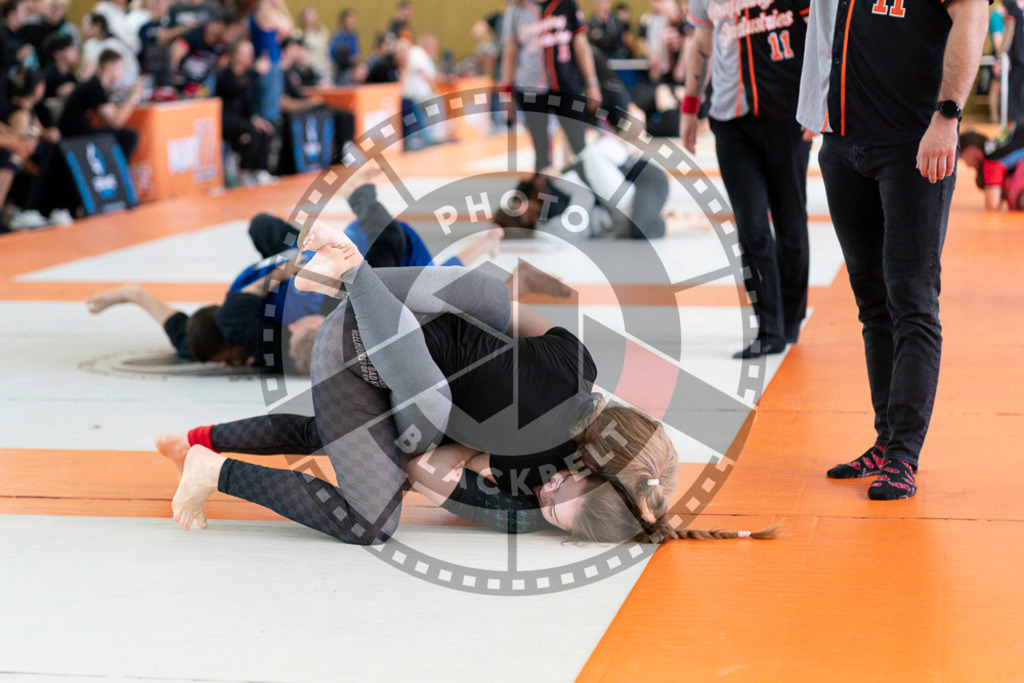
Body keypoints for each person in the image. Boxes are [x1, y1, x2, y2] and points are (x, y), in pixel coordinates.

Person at [799, 0, 989, 499]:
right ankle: (885, 443)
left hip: (914, 143)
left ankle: (904, 455)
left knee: (913, 300)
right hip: (843, 142)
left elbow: (973, 15)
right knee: (873, 302)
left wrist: (947, 116)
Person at [86, 169, 514, 373]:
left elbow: (246, 301)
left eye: (226, 362)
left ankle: (362, 194)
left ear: (223, 350)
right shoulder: (207, 338)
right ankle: (360, 201)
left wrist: (293, 265)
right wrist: (132, 294)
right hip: (302, 266)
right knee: (267, 228)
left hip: (315, 265)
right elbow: (178, 325)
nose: (230, 367)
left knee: (393, 260)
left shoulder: (236, 325)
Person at [680, 0, 812, 359]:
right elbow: (702, 44)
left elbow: (820, 38)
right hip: (730, 120)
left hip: (787, 116)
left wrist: (819, 102)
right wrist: (690, 105)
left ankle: (791, 318)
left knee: (790, 225)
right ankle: (768, 328)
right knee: (751, 225)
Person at [493, 134, 677, 241]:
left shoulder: (545, 195)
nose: (525, 207)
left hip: (619, 193)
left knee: (591, 157)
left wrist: (557, 177)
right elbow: (584, 199)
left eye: (519, 203)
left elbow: (581, 193)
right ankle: (625, 155)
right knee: (592, 158)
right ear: (522, 221)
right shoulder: (547, 230)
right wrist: (559, 180)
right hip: (616, 217)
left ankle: (625, 156)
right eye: (520, 211)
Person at [501, 0, 603, 172]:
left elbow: (581, 45)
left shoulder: (567, 5)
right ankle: (546, 194)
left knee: (580, 146)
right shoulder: (516, 10)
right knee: (541, 151)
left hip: (566, 86)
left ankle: (591, 189)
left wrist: (592, 83)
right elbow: (510, 53)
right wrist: (506, 93)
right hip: (530, 89)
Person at [279, 36, 355, 162]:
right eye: (297, 48)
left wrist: (310, 68)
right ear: (288, 49)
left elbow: (310, 80)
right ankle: (340, 155)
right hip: (300, 109)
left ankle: (344, 151)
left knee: (346, 115)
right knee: (340, 116)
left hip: (307, 105)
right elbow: (284, 101)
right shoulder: (280, 72)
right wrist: (308, 103)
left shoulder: (296, 70)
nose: (299, 51)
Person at [58, 48, 142, 159]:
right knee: (129, 137)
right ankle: (119, 173)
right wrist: (134, 95)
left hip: (79, 131)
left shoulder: (97, 86)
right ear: (108, 67)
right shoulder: (94, 86)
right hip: (73, 135)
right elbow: (115, 122)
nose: (123, 72)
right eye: (121, 67)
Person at [216, 39, 274, 186]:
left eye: (251, 53)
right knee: (251, 131)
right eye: (245, 53)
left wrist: (256, 117)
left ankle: (259, 170)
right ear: (235, 55)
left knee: (266, 129)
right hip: (225, 120)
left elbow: (249, 101)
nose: (250, 56)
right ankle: (244, 171)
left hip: (242, 120)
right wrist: (256, 72)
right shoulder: (225, 75)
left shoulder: (246, 76)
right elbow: (237, 89)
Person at [247, 0, 292, 124]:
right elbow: (288, 26)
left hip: (271, 63)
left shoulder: (261, 11)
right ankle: (267, 138)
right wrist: (281, 5)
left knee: (272, 104)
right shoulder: (263, 11)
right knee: (269, 108)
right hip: (267, 65)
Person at [168, 9, 232, 95]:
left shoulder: (222, 46)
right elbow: (177, 49)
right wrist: (175, 78)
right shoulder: (195, 34)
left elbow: (221, 67)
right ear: (221, 25)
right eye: (231, 32)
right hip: (183, 81)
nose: (231, 37)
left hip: (200, 86)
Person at [959, 127, 1024, 210]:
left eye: (964, 159)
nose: (968, 165)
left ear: (971, 151)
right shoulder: (998, 143)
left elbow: (992, 205)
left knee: (1015, 192)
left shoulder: (992, 159)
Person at [79, 11, 139, 96]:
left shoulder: (113, 45)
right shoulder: (90, 44)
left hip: (122, 87)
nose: (83, 29)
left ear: (98, 26)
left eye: (86, 25)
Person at [1002, 0, 1024, 123]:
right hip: (1020, 58)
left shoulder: (1012, 7)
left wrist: (1001, 52)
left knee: (1014, 95)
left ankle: (1017, 123)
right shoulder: (1018, 9)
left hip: (1017, 59)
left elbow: (1009, 30)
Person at [295, 6, 329, 83]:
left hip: (320, 69)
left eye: (312, 15)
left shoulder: (322, 33)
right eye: (307, 16)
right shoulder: (297, 34)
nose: (309, 19)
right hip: (305, 71)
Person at [41, 31, 76, 97]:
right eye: (70, 48)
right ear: (57, 54)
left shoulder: (70, 77)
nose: (75, 52)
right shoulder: (46, 78)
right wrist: (56, 93)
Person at [328, 8, 359, 84]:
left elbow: (356, 53)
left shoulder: (354, 36)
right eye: (348, 21)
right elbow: (331, 53)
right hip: (340, 70)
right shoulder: (338, 36)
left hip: (352, 69)